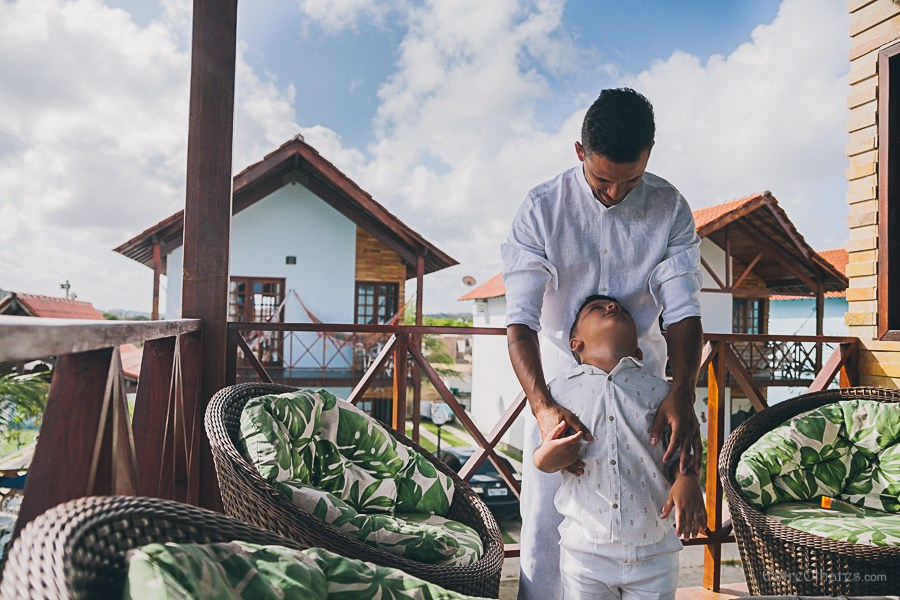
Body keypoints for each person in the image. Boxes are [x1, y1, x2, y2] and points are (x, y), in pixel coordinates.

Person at [502, 88, 704, 599]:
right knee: (548, 522)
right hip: (559, 389)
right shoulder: (542, 209)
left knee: (645, 502)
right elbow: (520, 323)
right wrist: (544, 407)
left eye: (630, 181)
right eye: (602, 180)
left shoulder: (671, 207)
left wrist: (681, 392)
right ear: (579, 153)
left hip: (647, 386)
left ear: (650, 153)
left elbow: (682, 311)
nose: (615, 194)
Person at [533, 294, 707, 600]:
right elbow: (542, 460)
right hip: (585, 552)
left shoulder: (662, 392)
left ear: (638, 349)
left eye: (622, 310)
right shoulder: (558, 393)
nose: (612, 307)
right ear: (575, 343)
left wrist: (688, 478)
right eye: (595, 308)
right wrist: (550, 456)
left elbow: (681, 447)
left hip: (655, 553)